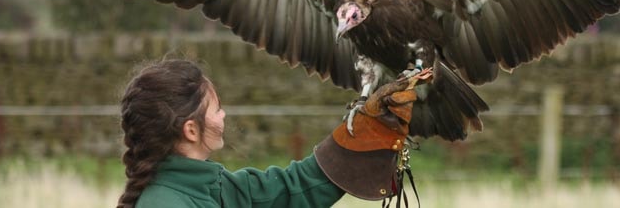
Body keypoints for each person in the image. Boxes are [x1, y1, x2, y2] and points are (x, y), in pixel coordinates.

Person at [116, 59, 427, 208]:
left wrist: (363, 132)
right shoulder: (166, 205)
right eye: (216, 108)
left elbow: (291, 189)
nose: (223, 115)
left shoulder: (215, 188)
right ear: (191, 129)